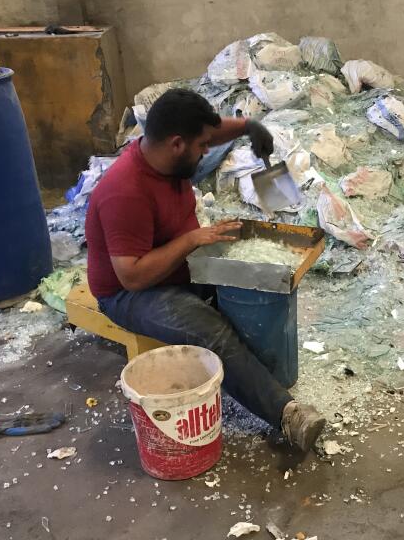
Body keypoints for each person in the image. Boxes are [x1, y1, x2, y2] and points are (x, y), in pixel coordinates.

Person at [85, 88, 326, 451]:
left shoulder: (169, 156)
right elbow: (131, 276)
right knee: (209, 330)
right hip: (133, 293)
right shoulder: (125, 192)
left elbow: (211, 132)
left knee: (257, 286)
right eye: (202, 147)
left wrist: (249, 126)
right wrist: (192, 239)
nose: (206, 153)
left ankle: (260, 376)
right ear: (178, 144)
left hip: (183, 267)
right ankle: (287, 416)